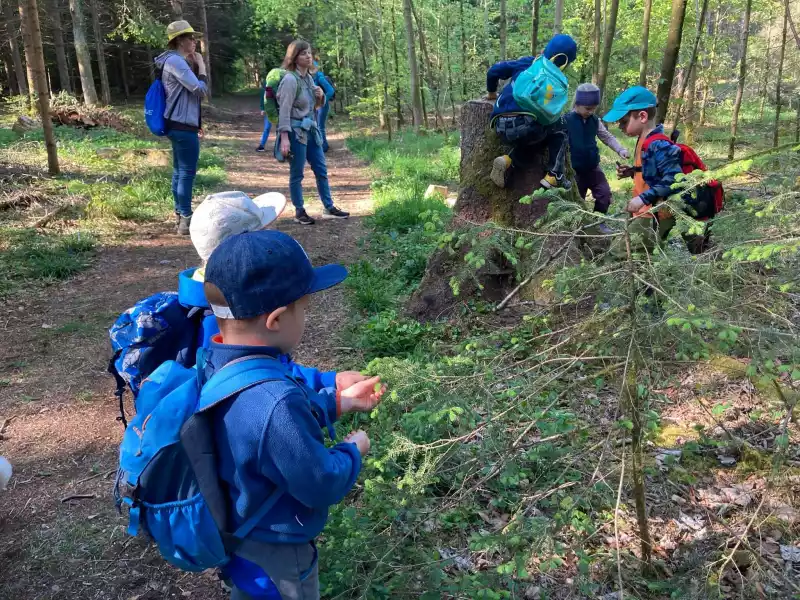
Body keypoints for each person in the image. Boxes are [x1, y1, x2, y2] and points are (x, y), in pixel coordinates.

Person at [202, 229, 385, 599]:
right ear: (277, 319)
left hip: (241, 529)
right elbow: (320, 483)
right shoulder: (275, 401)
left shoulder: (218, 361)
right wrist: (353, 449)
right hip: (278, 552)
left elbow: (263, 428)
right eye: (305, 308)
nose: (307, 316)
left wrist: (339, 402)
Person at [486, 34, 578, 191]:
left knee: (533, 137)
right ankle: (554, 175)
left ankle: (506, 160)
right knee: (558, 130)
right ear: (567, 63)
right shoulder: (557, 81)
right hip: (526, 127)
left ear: (545, 50)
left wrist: (491, 93)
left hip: (498, 123)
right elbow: (550, 115)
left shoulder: (528, 62)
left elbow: (493, 71)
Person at [603, 86, 683, 254]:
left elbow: (674, 180)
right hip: (644, 211)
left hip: (654, 213)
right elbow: (652, 171)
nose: (620, 127)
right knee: (641, 255)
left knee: (616, 254)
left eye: (624, 121)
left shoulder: (658, 144)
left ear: (642, 116)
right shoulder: (644, 139)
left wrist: (642, 199)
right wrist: (633, 171)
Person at [277, 40, 349, 225]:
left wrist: (321, 97)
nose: (308, 56)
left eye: (309, 53)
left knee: (321, 169)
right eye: (303, 53)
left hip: (311, 130)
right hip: (296, 132)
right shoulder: (290, 80)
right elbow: (284, 111)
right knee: (297, 173)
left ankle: (328, 207)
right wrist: (284, 137)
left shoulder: (308, 78)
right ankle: (299, 211)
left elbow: (313, 108)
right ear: (294, 57)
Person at [155, 20, 209, 235]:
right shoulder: (176, 61)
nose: (194, 41)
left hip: (177, 123)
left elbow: (186, 95)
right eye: (189, 38)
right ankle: (186, 218)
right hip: (182, 124)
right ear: (179, 41)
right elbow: (199, 90)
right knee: (186, 172)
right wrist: (202, 68)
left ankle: (180, 215)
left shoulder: (171, 61)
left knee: (179, 172)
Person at [565, 83, 630, 214]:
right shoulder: (566, 120)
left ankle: (599, 221)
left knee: (604, 194)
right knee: (577, 202)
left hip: (593, 168)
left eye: (593, 109)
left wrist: (620, 149)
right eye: (588, 108)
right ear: (577, 104)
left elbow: (606, 136)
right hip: (574, 170)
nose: (590, 112)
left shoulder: (594, 120)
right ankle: (579, 229)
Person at [312, 55, 335, 153]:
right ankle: (321, 144)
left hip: (322, 106)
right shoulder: (310, 77)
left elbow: (330, 90)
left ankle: (324, 146)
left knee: (320, 126)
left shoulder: (319, 76)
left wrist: (323, 101)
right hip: (316, 106)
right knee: (317, 125)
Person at [255, 78, 272, 153]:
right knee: (267, 128)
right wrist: (262, 108)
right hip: (269, 110)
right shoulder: (266, 85)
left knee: (281, 128)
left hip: (278, 109)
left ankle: (282, 147)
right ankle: (262, 145)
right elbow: (263, 97)